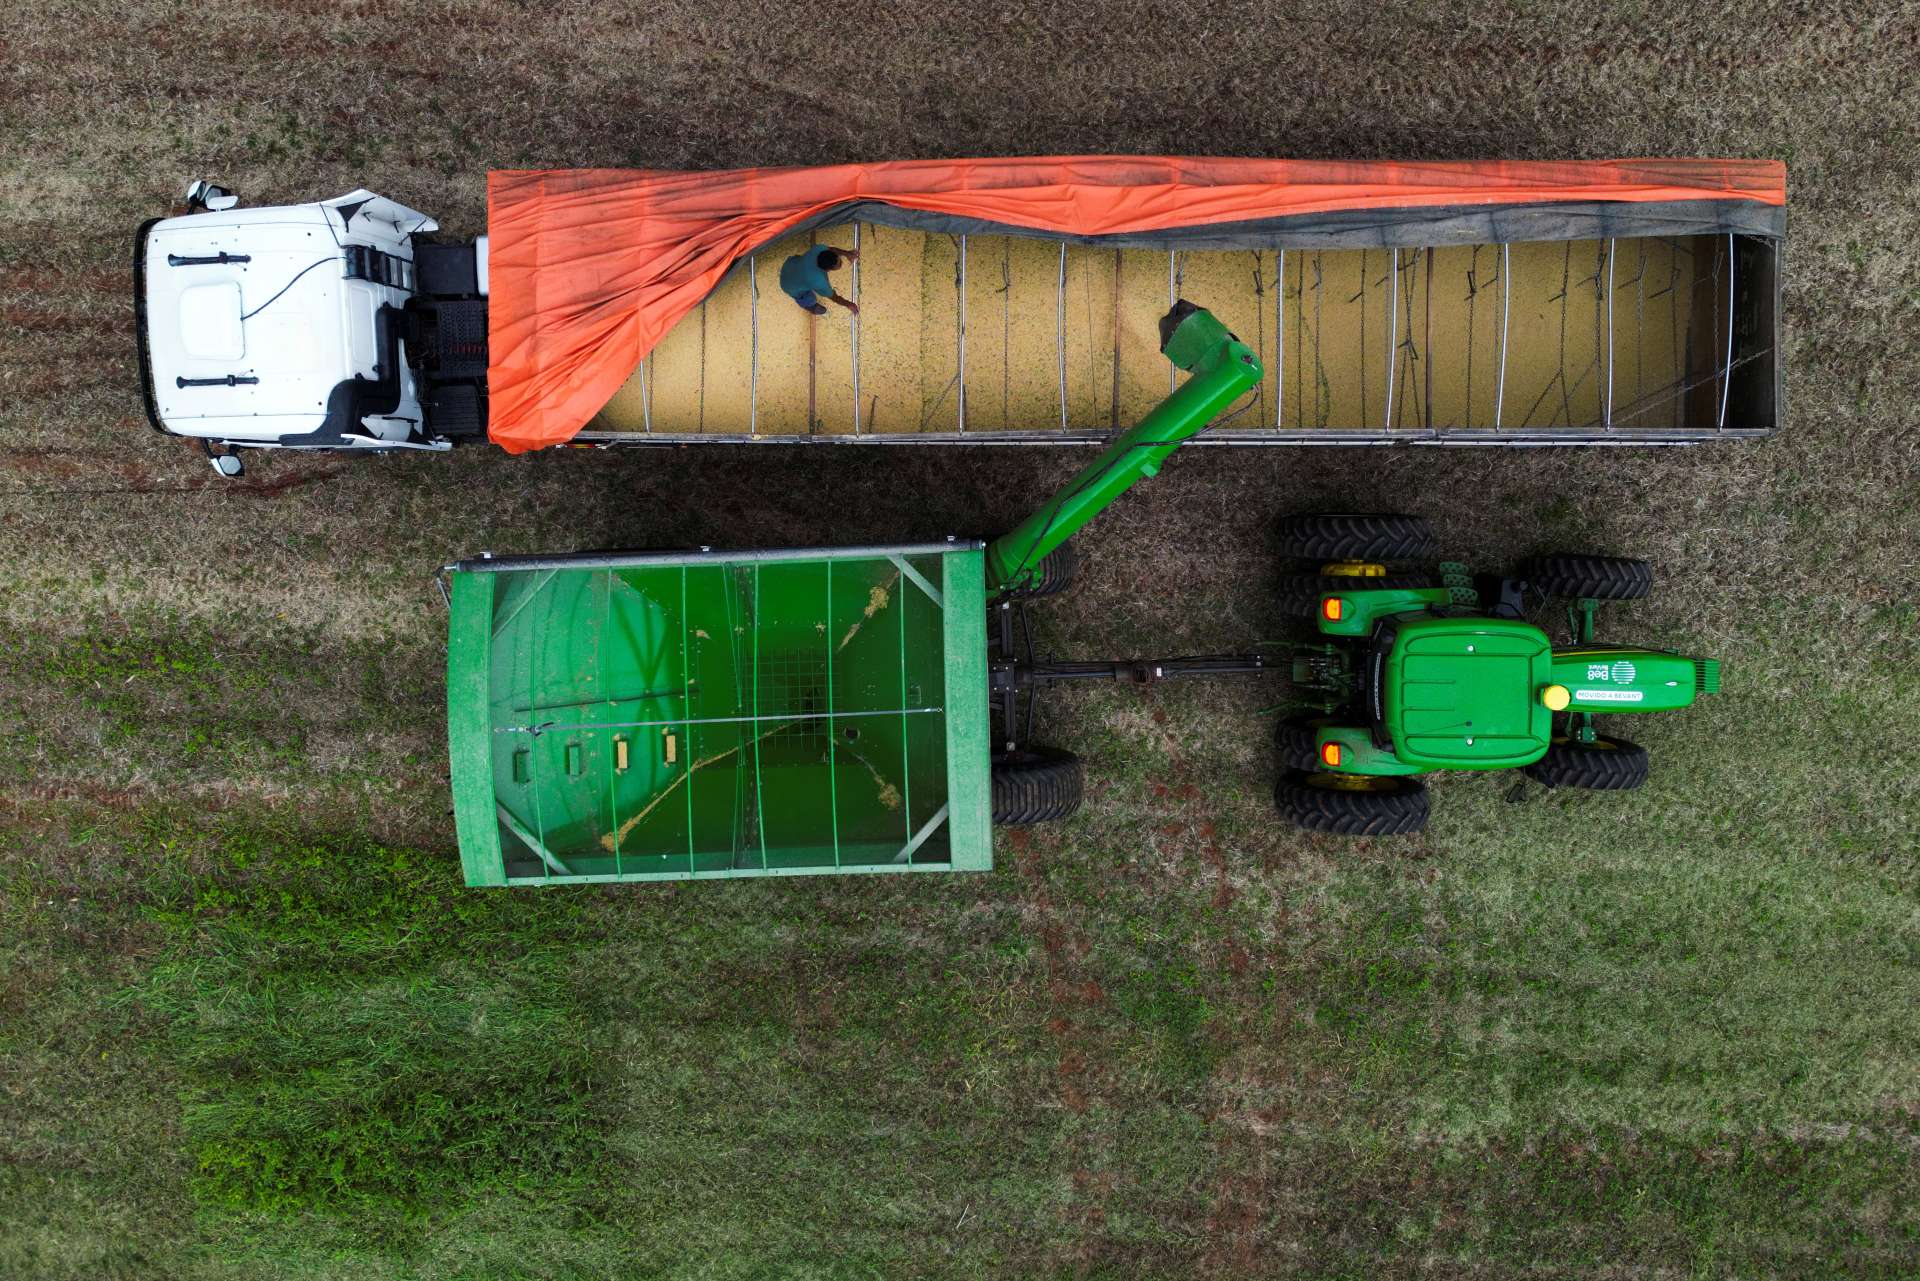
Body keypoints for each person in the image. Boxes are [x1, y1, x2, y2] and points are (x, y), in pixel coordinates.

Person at [778, 246, 859, 316]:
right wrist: (848, 304)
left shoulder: (819, 249)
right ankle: (811, 307)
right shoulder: (819, 281)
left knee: (802, 266)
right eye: (839, 264)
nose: (841, 262)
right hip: (788, 285)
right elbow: (834, 297)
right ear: (828, 269)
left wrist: (847, 253)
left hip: (789, 266)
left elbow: (832, 250)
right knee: (810, 301)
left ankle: (801, 273)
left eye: (839, 260)